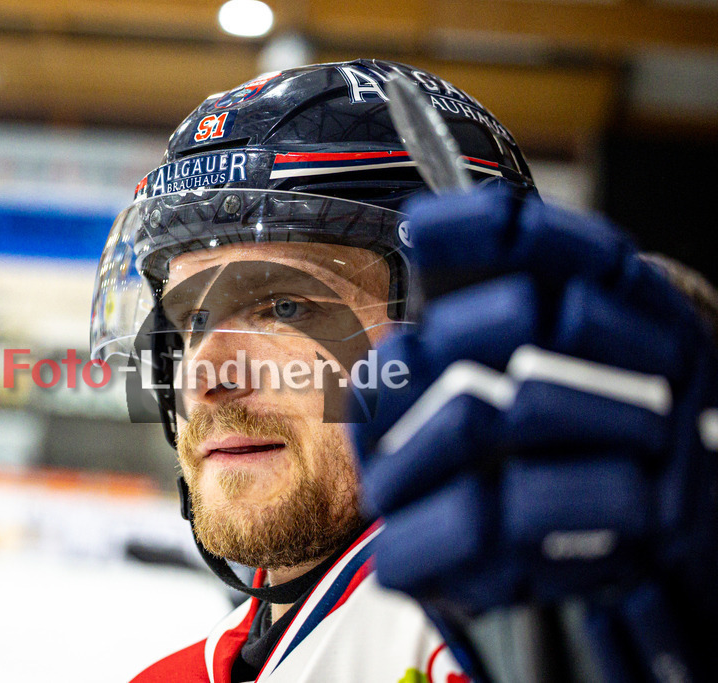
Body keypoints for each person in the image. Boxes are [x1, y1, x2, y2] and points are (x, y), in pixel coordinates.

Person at [90, 59, 718, 682]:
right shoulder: (170, 677)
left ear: (464, 327)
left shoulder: (548, 636)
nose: (204, 378)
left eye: (284, 308)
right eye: (190, 323)